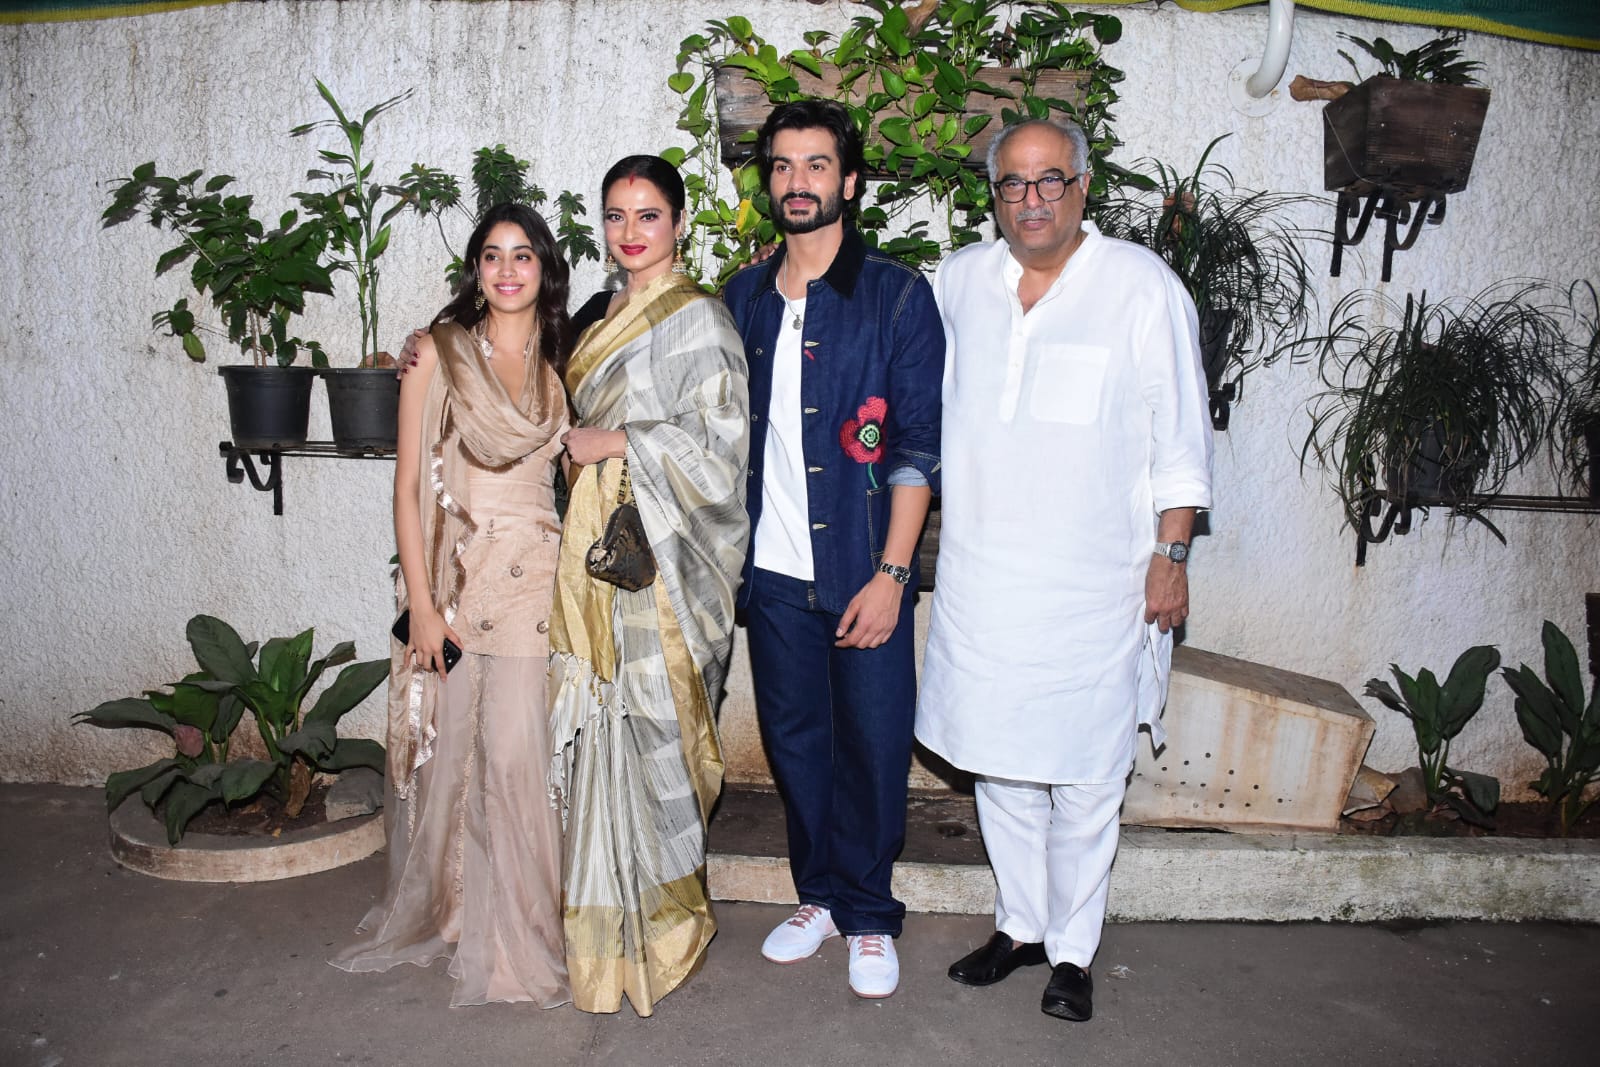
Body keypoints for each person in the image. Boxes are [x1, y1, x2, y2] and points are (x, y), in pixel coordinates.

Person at [916, 118, 1214, 1022]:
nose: (1032, 199)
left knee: (1087, 772)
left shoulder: (1140, 286)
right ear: (994, 196)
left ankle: (1073, 952)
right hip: (985, 577)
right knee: (1001, 763)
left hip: (1098, 584)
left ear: (1084, 186)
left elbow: (1181, 437)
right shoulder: (959, 282)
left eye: (1051, 180)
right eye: (1013, 183)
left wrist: (1171, 555)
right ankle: (1019, 925)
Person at [722, 99, 943, 1000]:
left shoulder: (897, 296)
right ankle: (817, 893)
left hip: (862, 566)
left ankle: (869, 910)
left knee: (875, 743)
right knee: (796, 742)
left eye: (816, 165)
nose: (798, 181)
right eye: (782, 165)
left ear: (849, 181)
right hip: (772, 574)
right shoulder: (741, 299)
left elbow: (917, 447)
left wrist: (893, 573)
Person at [331, 202, 574, 1007]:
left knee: (517, 758)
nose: (507, 270)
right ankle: (458, 914)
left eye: (523, 255)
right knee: (452, 760)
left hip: (537, 584)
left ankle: (521, 936)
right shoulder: (438, 354)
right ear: (476, 270)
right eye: (492, 255)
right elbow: (407, 486)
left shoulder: (560, 362)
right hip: (461, 583)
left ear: (545, 269)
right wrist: (423, 607)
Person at [548, 154, 750, 1017]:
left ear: (679, 223)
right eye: (616, 216)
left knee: (660, 736)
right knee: (605, 734)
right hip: (597, 561)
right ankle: (607, 933)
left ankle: (669, 924)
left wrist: (621, 441)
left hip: (666, 575)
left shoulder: (702, 319)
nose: (630, 233)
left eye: (648, 216)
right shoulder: (596, 319)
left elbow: (721, 451)